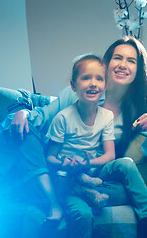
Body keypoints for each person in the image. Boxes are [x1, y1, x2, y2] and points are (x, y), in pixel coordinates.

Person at [0, 37, 147, 238]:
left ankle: (73, 191)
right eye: (118, 58)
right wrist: (23, 112)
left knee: (126, 189)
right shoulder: (80, 94)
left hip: (98, 177)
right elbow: (40, 117)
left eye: (131, 61)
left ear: (138, 70)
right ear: (106, 64)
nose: (123, 65)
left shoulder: (142, 107)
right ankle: (57, 195)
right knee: (25, 138)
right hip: (62, 169)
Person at [46, 54, 113, 210]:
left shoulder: (107, 116)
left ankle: (85, 188)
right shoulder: (62, 118)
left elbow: (110, 155)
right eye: (86, 78)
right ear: (73, 85)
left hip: (89, 169)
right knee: (65, 180)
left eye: (99, 79)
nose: (93, 84)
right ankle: (83, 190)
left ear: (106, 85)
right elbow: (50, 157)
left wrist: (86, 163)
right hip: (66, 171)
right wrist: (63, 163)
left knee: (122, 168)